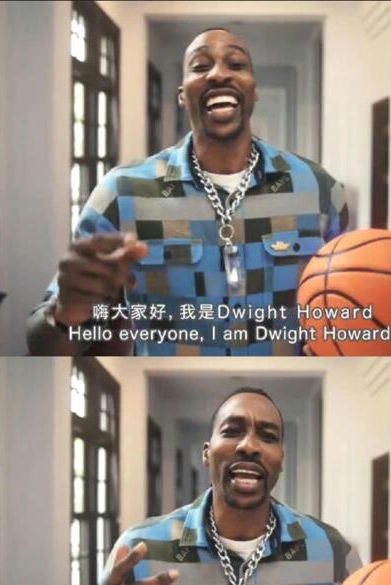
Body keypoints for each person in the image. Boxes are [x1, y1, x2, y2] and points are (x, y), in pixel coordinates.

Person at [27, 28, 348, 356]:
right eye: (200, 66)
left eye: (236, 64)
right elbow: (43, 344)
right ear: (182, 96)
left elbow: (346, 305)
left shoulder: (320, 189)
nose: (219, 74)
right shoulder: (121, 194)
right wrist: (65, 314)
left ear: (253, 91)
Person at [62, 387, 362, 585]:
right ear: (207, 454)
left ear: (280, 459)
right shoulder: (142, 553)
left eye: (268, 436)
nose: (249, 445)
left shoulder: (331, 553)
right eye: (232, 431)